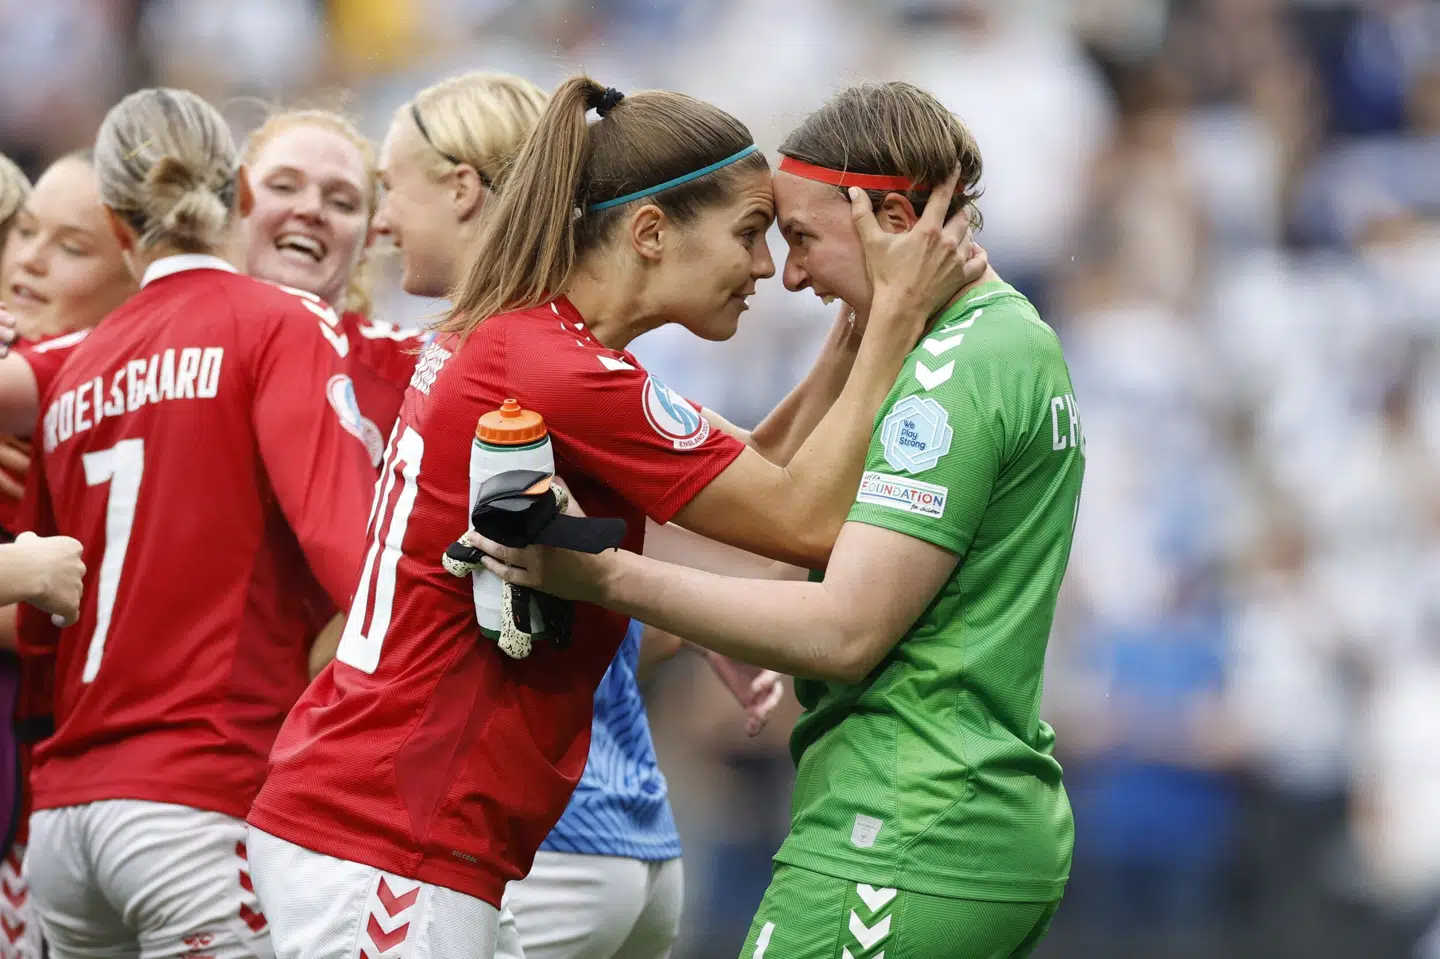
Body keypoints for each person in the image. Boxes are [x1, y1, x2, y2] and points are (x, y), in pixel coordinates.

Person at [245, 74, 980, 959]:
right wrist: (895, 317)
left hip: (402, 822)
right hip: (390, 831)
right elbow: (805, 520)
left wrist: (850, 340)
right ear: (650, 232)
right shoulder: (562, 371)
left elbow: (764, 475)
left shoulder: (543, 346)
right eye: (750, 234)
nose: (763, 268)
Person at [468, 81, 1084, 959]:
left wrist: (602, 575)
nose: (786, 273)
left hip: (906, 825)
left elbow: (842, 631)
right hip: (964, 815)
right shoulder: (1011, 336)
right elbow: (764, 486)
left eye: (797, 237)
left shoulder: (949, 371)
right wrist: (863, 345)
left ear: (894, 219)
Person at [372, 67, 785, 959]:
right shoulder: (556, 360)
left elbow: (778, 499)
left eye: (380, 188)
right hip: (603, 824)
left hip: (517, 835)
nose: (374, 223)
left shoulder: (481, 361)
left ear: (465, 190)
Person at [17, 87, 376, 959]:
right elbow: (356, 561)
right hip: (202, 799)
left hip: (63, 824)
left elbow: (37, 630)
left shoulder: (75, 369)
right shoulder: (280, 321)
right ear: (242, 199)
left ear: (115, 220)